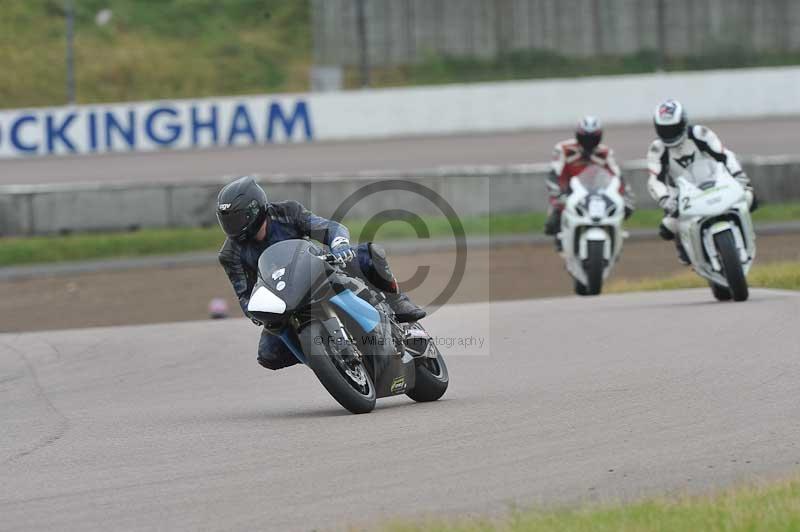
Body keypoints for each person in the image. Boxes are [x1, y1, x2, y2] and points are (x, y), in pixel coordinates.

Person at [216, 176, 425, 371]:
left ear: (256, 209)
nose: (232, 227)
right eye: (227, 221)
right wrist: (258, 313)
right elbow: (244, 296)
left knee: (368, 254)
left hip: (318, 272)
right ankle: (327, 359)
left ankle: (398, 303)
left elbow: (328, 228)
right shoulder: (230, 254)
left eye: (237, 219)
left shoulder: (287, 212)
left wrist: (339, 244)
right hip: (285, 301)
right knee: (268, 355)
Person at [647, 99, 757, 264]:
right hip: (681, 192)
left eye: (673, 128)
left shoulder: (700, 134)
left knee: (749, 197)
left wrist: (739, 176)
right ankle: (684, 248)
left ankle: (745, 234)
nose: (669, 133)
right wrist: (665, 199)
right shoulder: (657, 149)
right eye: (664, 129)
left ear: (683, 123)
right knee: (668, 227)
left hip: (714, 179)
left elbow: (724, 155)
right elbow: (655, 179)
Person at [544, 116, 634, 249]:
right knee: (553, 224)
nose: (589, 142)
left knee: (619, 211)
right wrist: (558, 197)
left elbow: (618, 177)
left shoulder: (605, 153)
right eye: (585, 138)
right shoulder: (563, 149)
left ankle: (614, 242)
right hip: (568, 195)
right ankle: (562, 241)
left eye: (593, 138)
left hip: (597, 195)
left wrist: (626, 199)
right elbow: (553, 174)